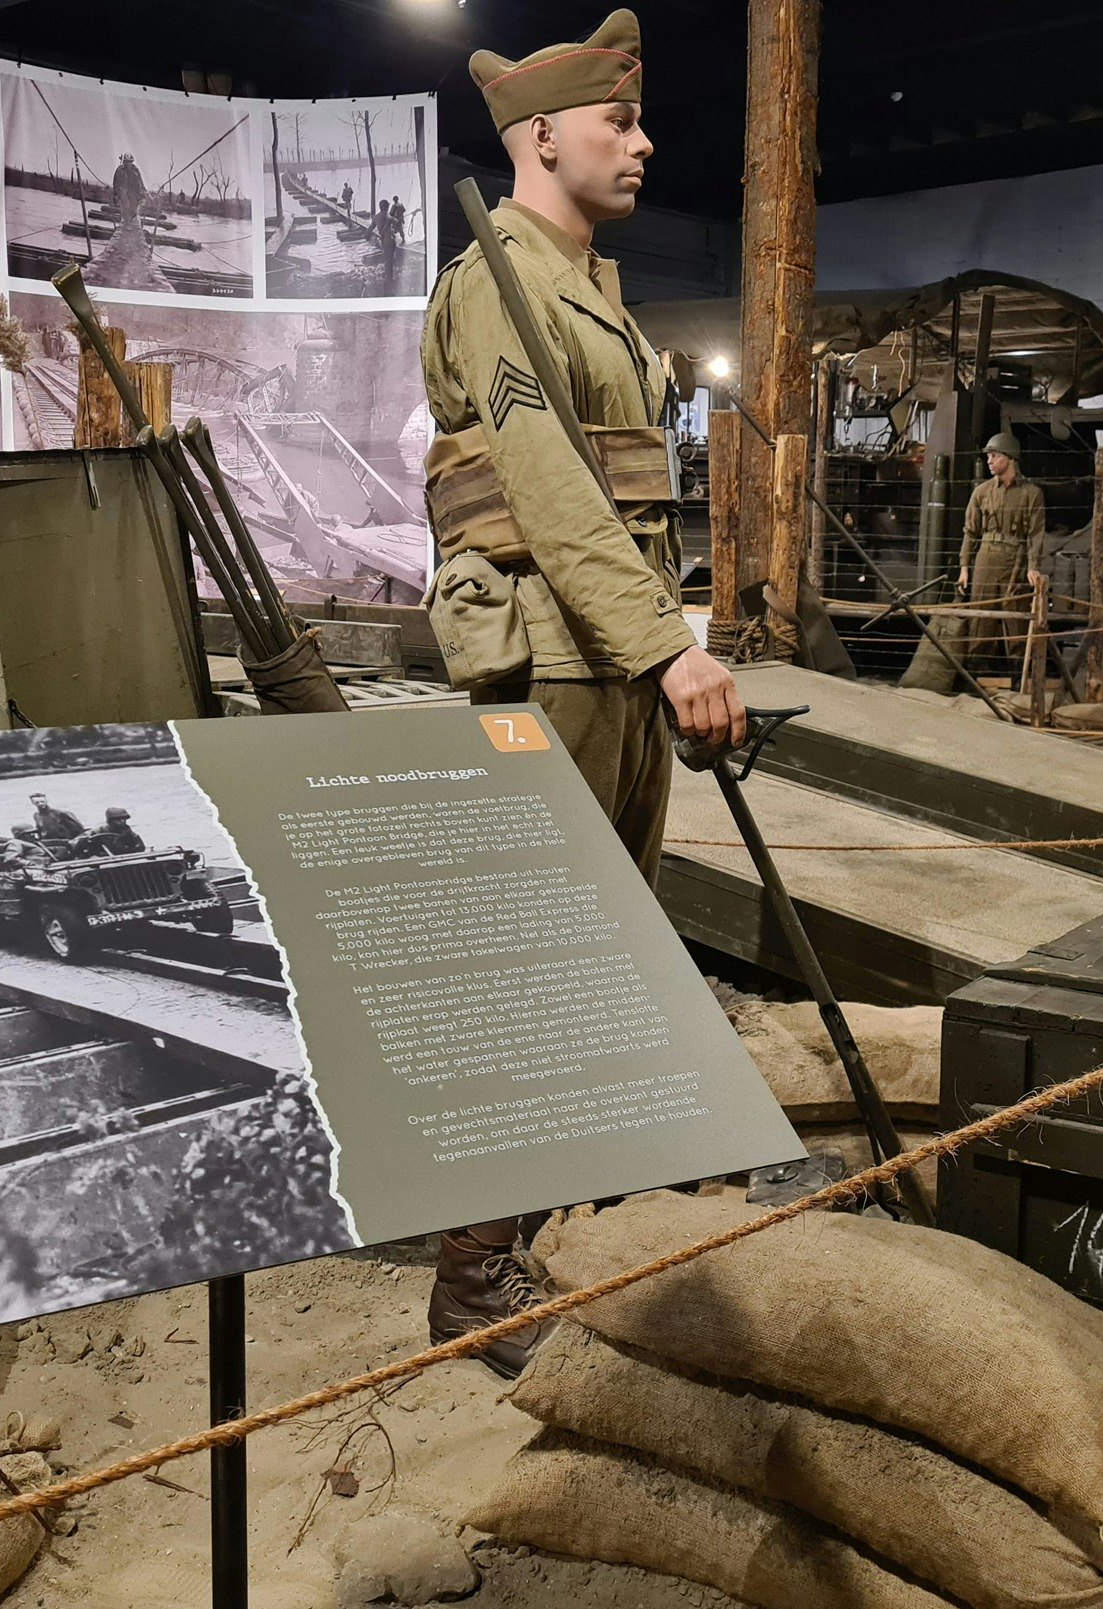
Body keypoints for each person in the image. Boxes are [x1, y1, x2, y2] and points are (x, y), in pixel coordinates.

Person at [419, 8, 743, 1380]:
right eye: (620, 121)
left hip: (605, 650)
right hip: (550, 657)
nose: (644, 141)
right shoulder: (494, 282)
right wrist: (668, 648)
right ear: (540, 136)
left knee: (609, 954)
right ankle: (471, 1274)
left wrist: (660, 642)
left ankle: (558, 1209)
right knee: (540, 964)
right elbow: (547, 489)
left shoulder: (588, 288)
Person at [956, 431, 1048, 674]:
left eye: (995, 456)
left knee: (1015, 612)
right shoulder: (982, 492)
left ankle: (1018, 669)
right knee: (981, 611)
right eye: (989, 456)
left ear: (1010, 458)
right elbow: (970, 531)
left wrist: (1033, 566)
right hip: (986, 555)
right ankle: (977, 668)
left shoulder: (1031, 493)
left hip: (1016, 557)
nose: (989, 461)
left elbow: (1036, 533)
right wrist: (964, 567)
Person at [80, 806, 146, 857]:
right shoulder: (98, 832)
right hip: (104, 861)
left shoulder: (128, 832)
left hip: (124, 859)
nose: (122, 821)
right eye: (118, 819)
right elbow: (90, 850)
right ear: (110, 821)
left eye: (124, 818)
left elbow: (141, 848)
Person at [111, 153, 146, 222]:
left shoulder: (135, 170)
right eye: (127, 162)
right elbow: (116, 182)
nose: (128, 164)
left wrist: (142, 193)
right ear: (124, 162)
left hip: (134, 194)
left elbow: (140, 182)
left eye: (130, 162)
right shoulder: (120, 170)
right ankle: (126, 224)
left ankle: (131, 223)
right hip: (123, 194)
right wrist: (115, 195)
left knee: (133, 212)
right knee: (125, 211)